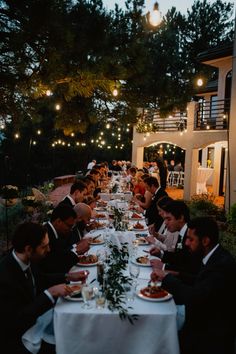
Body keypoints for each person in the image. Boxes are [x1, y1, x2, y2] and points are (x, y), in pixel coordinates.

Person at [151, 217, 236, 354]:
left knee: (156, 323)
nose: (186, 243)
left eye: (191, 239)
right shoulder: (214, 255)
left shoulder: (221, 265)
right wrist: (171, 273)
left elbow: (194, 296)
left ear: (205, 241)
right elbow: (198, 280)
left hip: (210, 334)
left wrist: (166, 277)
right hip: (203, 316)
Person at [0, 222, 88, 354]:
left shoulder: (27, 260)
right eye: (44, 247)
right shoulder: (5, 277)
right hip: (19, 337)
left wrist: (68, 276)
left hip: (35, 320)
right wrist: (50, 293)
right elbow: (18, 319)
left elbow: (41, 278)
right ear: (29, 249)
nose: (49, 250)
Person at [150, 200, 201, 275]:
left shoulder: (191, 236)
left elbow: (188, 268)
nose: (165, 222)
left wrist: (164, 266)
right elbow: (179, 257)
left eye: (169, 219)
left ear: (181, 218)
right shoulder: (182, 232)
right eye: (165, 219)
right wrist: (161, 254)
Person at [40, 205, 89, 273]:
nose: (70, 230)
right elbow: (54, 262)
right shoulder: (46, 234)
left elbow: (63, 251)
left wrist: (76, 246)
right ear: (58, 221)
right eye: (69, 226)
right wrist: (76, 250)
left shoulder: (57, 231)